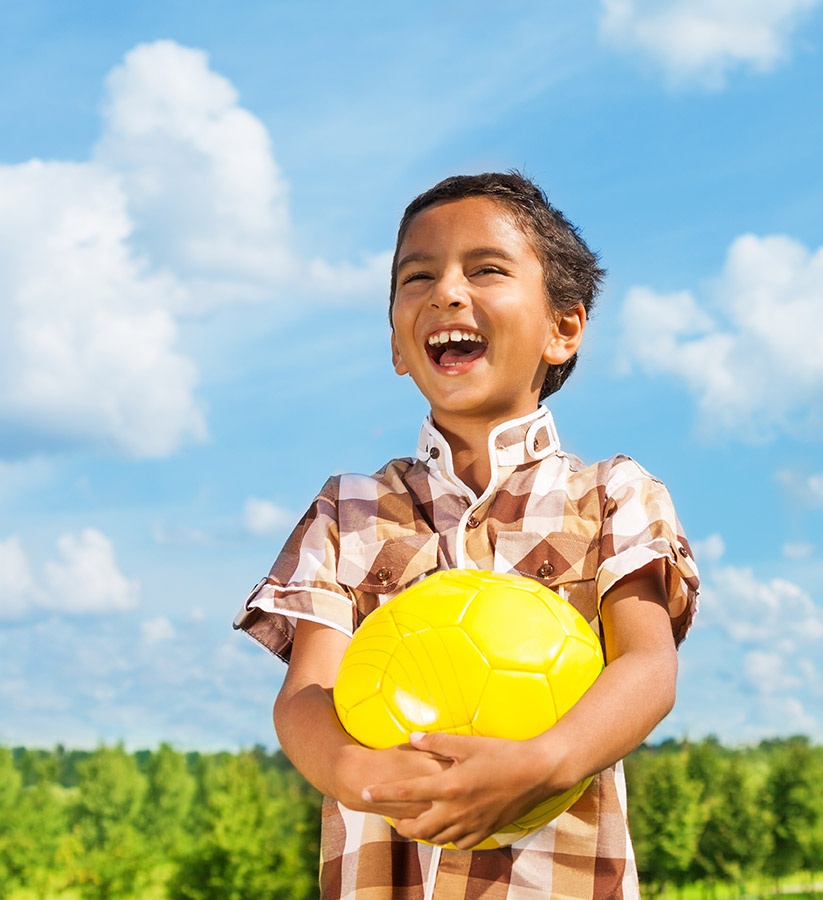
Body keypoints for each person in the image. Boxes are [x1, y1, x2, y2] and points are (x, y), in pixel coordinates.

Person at [234, 171, 700, 900]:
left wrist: (547, 761)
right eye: (417, 277)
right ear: (396, 342)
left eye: (485, 269)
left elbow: (648, 668)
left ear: (563, 327)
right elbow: (307, 694)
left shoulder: (614, 496)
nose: (447, 292)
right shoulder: (346, 512)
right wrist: (357, 773)